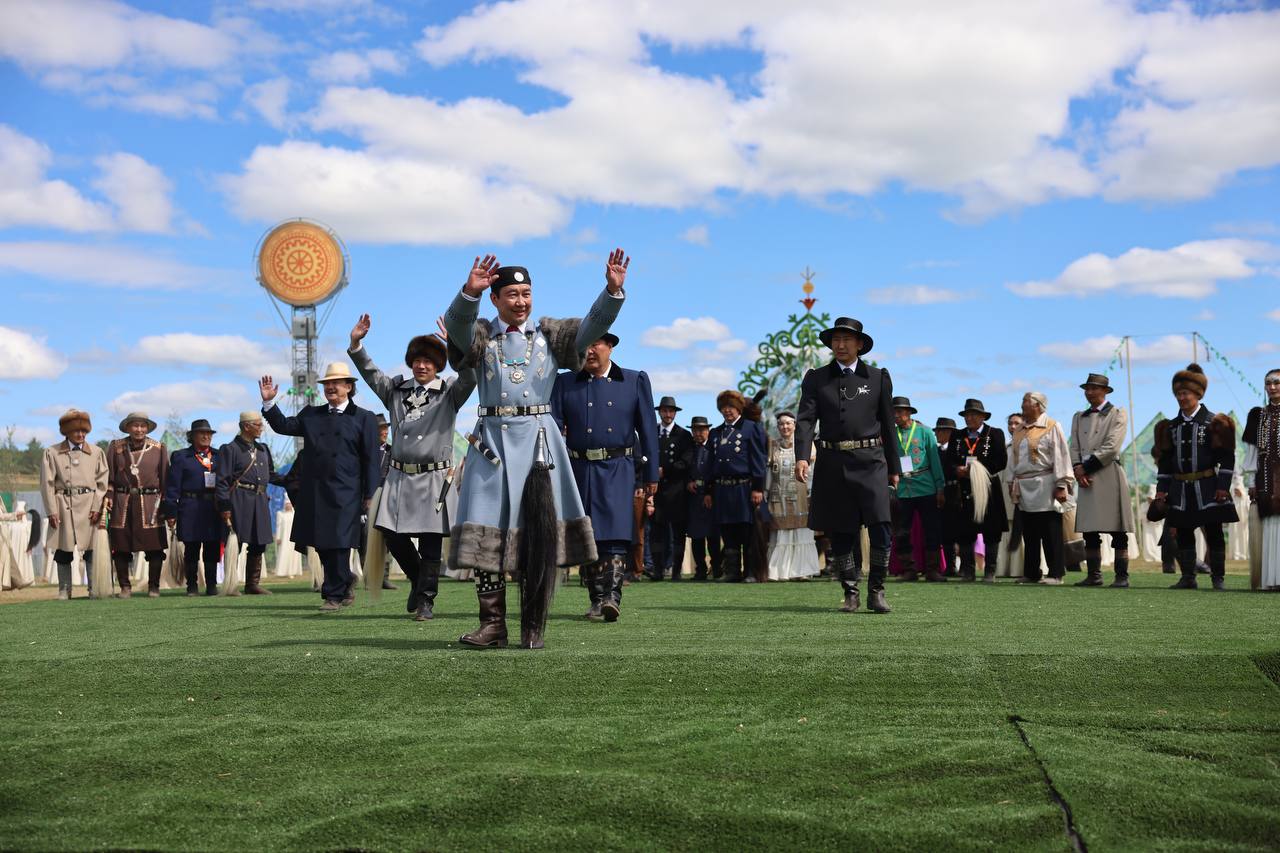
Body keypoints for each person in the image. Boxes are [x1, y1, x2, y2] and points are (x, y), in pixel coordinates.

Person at [442, 250, 629, 650]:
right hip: (491, 443)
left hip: (539, 445)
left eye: (526, 293)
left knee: (538, 536)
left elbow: (593, 325)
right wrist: (467, 293)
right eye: (511, 294)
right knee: (482, 532)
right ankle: (492, 626)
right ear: (495, 298)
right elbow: (456, 328)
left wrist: (612, 292)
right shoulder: (479, 337)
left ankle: (533, 626)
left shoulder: (553, 336)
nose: (521, 301)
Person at [349, 315, 477, 619]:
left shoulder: (449, 392)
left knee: (431, 541)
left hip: (434, 476)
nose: (422, 366)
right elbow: (370, 374)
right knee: (391, 534)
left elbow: (471, 377)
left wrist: (457, 346)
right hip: (399, 477)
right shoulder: (395, 390)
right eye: (417, 360)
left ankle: (425, 601)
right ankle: (418, 579)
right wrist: (356, 344)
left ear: (438, 365)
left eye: (429, 361)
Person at [794, 317, 900, 613]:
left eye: (846, 340)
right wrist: (801, 455)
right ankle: (850, 591)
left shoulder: (878, 377)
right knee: (841, 531)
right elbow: (805, 420)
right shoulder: (816, 378)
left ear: (860, 345)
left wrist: (895, 467)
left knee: (881, 526)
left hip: (872, 462)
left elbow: (889, 426)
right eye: (836, 340)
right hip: (832, 462)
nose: (840, 345)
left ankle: (876, 591)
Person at [552, 332, 658, 621]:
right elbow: (552, 426)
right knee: (587, 535)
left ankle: (611, 597)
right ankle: (596, 599)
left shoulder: (634, 380)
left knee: (614, 534)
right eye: (583, 346)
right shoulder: (565, 382)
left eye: (595, 344)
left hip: (617, 467)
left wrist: (651, 475)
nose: (589, 351)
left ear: (610, 346)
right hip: (578, 469)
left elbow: (648, 429)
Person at [261, 363, 381, 610]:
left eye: (336, 383)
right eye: (327, 384)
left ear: (349, 387)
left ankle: (333, 595)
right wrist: (269, 404)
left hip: (348, 491)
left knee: (338, 542)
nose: (330, 387)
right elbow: (284, 426)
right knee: (322, 543)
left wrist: (371, 493)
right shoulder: (312, 415)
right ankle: (345, 579)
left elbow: (371, 459)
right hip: (315, 491)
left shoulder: (364, 418)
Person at [1154, 363, 1238, 590]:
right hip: (1180, 488)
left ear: (1197, 394)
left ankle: (1217, 578)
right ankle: (1188, 577)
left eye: (1186, 393)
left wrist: (1223, 486)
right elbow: (1164, 463)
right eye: (1178, 394)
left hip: (1209, 486)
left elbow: (1227, 459)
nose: (1182, 397)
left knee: (1214, 533)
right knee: (1182, 534)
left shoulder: (1216, 423)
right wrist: (1161, 491)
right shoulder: (1170, 427)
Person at [1068, 374, 1135, 588]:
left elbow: (1112, 446)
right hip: (1085, 476)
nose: (1089, 392)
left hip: (1108, 473)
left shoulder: (1117, 413)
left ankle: (1121, 576)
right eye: (1087, 389)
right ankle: (1094, 575)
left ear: (1105, 391)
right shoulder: (1079, 416)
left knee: (1117, 528)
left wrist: (1085, 468)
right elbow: (1074, 446)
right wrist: (1077, 468)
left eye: (1094, 389)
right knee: (1089, 529)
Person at [40, 409, 108, 600]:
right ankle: (64, 589)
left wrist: (96, 507)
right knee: (63, 549)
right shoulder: (52, 453)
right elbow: (47, 483)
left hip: (88, 505)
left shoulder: (97, 452)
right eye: (76, 431)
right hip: (63, 505)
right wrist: (51, 510)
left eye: (84, 431)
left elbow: (102, 483)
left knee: (91, 549)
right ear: (66, 432)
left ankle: (94, 588)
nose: (80, 435)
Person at [1009, 392, 1073, 584]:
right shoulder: (1020, 429)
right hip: (1024, 484)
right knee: (1029, 532)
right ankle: (1031, 572)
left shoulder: (1051, 426)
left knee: (1050, 530)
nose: (1022, 405)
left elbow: (1061, 454)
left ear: (1037, 405)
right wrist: (1011, 481)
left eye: (1025, 402)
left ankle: (1055, 573)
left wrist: (1062, 484)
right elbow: (1013, 458)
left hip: (1045, 483)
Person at [943, 399, 1008, 583]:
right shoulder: (957, 435)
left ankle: (990, 571)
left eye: (973, 415)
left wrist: (977, 469)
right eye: (966, 415)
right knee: (965, 531)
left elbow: (1001, 461)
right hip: (963, 488)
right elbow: (949, 461)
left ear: (982, 417)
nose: (969, 418)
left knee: (991, 530)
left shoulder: (994, 433)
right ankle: (968, 570)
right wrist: (957, 470)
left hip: (988, 487)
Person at [105, 412, 170, 598]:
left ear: (147, 428)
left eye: (143, 426)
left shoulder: (158, 448)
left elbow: (165, 479)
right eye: (135, 425)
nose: (139, 429)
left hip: (150, 504)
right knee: (121, 547)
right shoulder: (116, 447)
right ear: (127, 427)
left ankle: (154, 587)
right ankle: (125, 587)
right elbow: (109, 477)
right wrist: (109, 495)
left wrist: (167, 505)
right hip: (122, 503)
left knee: (155, 548)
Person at [705, 390, 767, 583]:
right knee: (727, 531)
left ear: (739, 408)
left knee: (747, 531)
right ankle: (732, 572)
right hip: (722, 489)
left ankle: (750, 571)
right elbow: (710, 464)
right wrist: (708, 490)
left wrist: (758, 487)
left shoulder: (751, 428)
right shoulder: (715, 432)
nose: (727, 411)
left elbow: (758, 459)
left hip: (744, 488)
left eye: (731, 407)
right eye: (724, 408)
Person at [216, 411, 276, 596]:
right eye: (258, 425)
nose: (261, 428)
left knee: (260, 543)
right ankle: (231, 584)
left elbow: (272, 475)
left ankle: (252, 584)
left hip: (260, 499)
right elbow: (222, 480)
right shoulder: (230, 449)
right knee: (236, 543)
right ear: (246, 426)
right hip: (239, 499)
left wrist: (294, 479)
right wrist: (225, 506)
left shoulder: (263, 449)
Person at [161, 419, 221, 596]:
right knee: (191, 549)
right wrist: (171, 511)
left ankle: (211, 585)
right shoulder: (181, 457)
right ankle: (192, 586)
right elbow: (173, 487)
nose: (205, 436)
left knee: (212, 549)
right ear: (192, 436)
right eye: (201, 433)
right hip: (190, 507)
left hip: (213, 507)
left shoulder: (219, 456)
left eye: (209, 433)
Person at [889, 397, 946, 582]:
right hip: (903, 489)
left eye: (899, 412)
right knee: (901, 531)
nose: (896, 416)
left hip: (926, 486)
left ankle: (932, 570)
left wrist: (940, 487)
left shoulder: (925, 432)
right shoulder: (891, 434)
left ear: (909, 413)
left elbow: (935, 461)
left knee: (932, 529)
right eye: (893, 412)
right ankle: (909, 569)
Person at [765, 411, 820, 581]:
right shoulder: (772, 446)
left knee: (801, 532)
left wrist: (812, 492)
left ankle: (802, 571)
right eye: (781, 424)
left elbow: (812, 472)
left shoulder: (806, 445)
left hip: (802, 494)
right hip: (778, 495)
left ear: (795, 425)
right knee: (781, 534)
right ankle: (779, 572)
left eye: (788, 423)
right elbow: (768, 473)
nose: (785, 427)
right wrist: (766, 492)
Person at [1243, 368, 1280, 590]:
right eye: (1268, 383)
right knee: (1269, 527)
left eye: (1277, 382)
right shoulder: (1257, 415)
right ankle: (1271, 580)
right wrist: (1250, 483)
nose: (1272, 387)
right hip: (1265, 478)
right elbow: (1251, 453)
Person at [650, 396, 694, 581]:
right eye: (664, 411)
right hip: (656, 490)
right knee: (657, 532)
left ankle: (676, 571)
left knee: (677, 533)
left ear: (675, 413)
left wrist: (665, 470)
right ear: (660, 412)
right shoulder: (651, 432)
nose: (668, 414)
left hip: (677, 491)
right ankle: (658, 570)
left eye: (671, 411)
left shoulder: (684, 435)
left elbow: (686, 462)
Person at [686, 416, 720, 581]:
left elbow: (716, 472)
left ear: (708, 431)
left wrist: (710, 493)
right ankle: (700, 569)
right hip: (693, 498)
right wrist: (688, 482)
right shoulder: (689, 449)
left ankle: (717, 568)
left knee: (713, 536)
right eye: (695, 430)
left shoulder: (714, 449)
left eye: (702, 430)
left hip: (710, 496)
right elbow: (682, 469)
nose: (699, 433)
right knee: (696, 536)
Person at [934, 416, 959, 576]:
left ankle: (962, 566)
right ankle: (948, 566)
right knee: (944, 531)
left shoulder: (958, 449)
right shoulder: (934, 451)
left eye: (940, 431)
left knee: (958, 530)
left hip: (956, 492)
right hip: (939, 492)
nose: (937, 434)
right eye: (936, 431)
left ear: (949, 432)